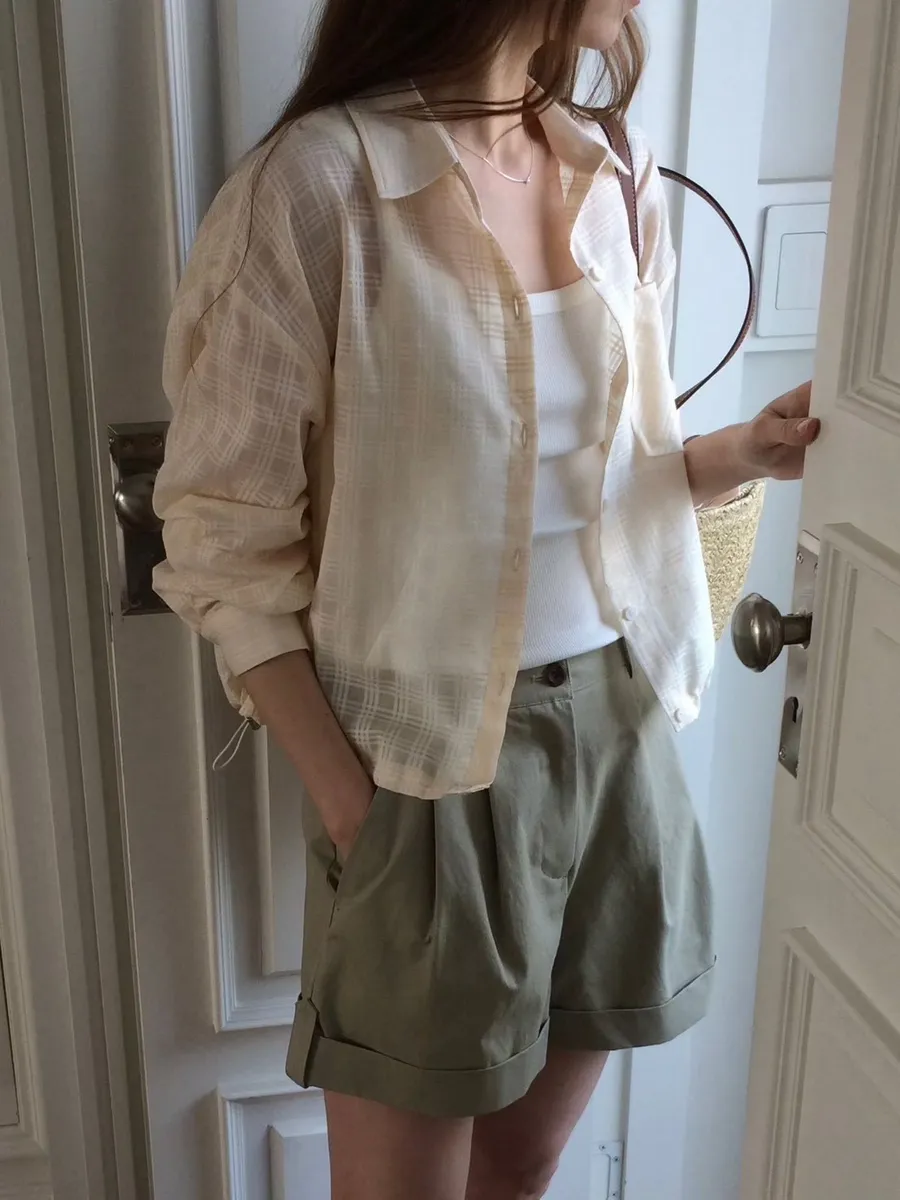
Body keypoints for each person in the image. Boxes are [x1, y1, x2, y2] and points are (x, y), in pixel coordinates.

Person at [153, 0, 820, 1195]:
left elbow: (605, 474)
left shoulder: (611, 169)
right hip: (425, 768)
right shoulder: (319, 188)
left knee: (523, 1171)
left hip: (618, 734)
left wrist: (740, 455)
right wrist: (354, 806)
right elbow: (221, 540)